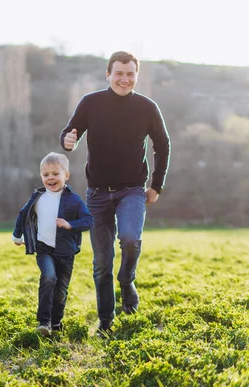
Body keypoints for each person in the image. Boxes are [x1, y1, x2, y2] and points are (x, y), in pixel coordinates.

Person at [59, 51, 171, 335]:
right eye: (119, 73)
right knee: (101, 262)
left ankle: (127, 278)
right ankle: (106, 321)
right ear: (108, 74)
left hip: (132, 190)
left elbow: (163, 145)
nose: (124, 79)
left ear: (136, 76)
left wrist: (156, 185)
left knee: (131, 239)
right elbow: (70, 133)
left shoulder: (147, 107)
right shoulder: (91, 103)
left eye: (130, 74)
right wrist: (68, 141)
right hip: (97, 194)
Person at [12, 152, 94, 336]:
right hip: (44, 249)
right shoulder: (38, 196)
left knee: (61, 290)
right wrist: (18, 236)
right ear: (41, 176)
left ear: (66, 175)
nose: (50, 178)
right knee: (49, 277)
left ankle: (56, 322)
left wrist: (70, 224)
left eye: (55, 174)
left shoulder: (74, 200)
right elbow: (23, 214)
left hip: (66, 252)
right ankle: (44, 321)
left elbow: (89, 221)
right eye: (46, 174)